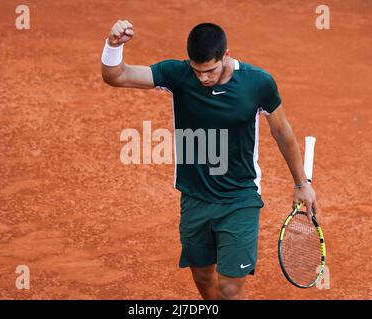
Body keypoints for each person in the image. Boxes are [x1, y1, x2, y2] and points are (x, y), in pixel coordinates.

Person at [101, 20, 318, 300]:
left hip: (240, 198)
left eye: (211, 70)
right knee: (203, 276)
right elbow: (116, 76)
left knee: (229, 287)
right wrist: (113, 46)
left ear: (226, 54)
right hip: (195, 197)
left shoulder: (257, 82)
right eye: (197, 71)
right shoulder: (178, 75)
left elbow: (281, 131)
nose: (203, 78)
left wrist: (301, 183)